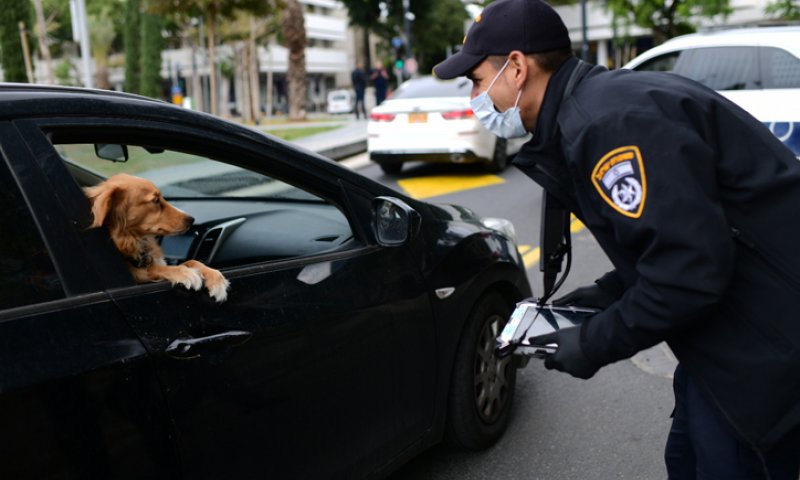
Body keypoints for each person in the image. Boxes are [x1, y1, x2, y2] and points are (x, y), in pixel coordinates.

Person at [433, 0, 800, 478]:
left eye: (477, 80)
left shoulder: (608, 126)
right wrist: (603, 295)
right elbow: (672, 239)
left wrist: (592, 344)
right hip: (734, 336)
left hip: (764, 346)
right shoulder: (600, 108)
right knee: (685, 460)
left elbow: (688, 273)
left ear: (517, 68)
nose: (475, 97)